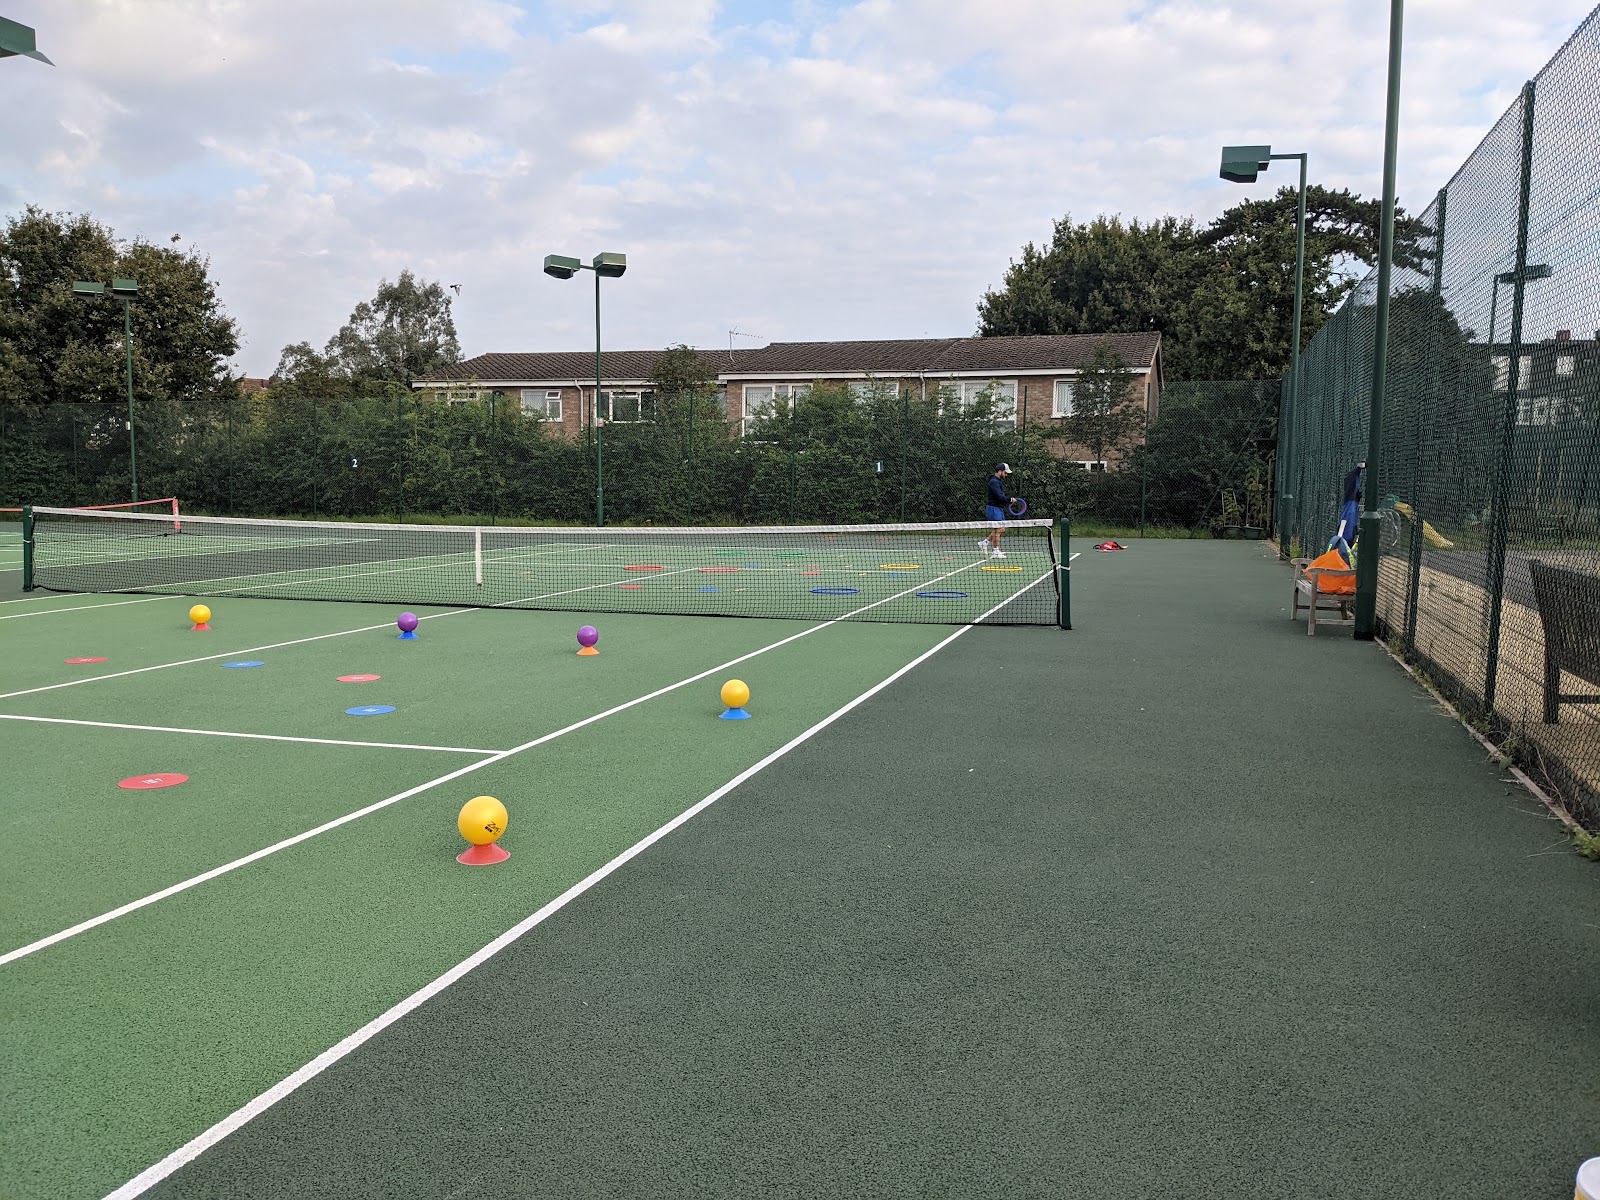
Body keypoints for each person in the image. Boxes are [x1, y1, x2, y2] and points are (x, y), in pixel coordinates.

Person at [980, 463, 1014, 559]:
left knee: (1002, 530)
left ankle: (984, 543)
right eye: (1005, 472)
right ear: (1000, 471)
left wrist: (1007, 501)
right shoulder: (994, 482)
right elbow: (999, 496)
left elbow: (1000, 497)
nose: (1006, 475)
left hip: (998, 508)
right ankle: (995, 551)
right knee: (998, 530)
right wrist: (1010, 500)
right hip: (993, 509)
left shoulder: (997, 481)